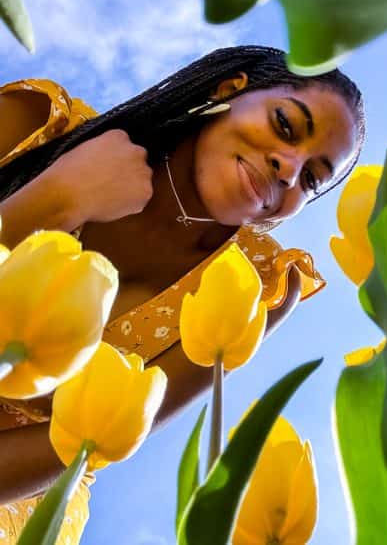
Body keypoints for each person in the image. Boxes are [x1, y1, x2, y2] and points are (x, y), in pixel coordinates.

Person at [0, 45, 365, 542]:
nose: (288, 168)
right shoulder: (43, 127)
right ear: (228, 90)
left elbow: (84, 446)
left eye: (312, 178)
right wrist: (58, 198)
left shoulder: (257, 284)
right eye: (285, 125)